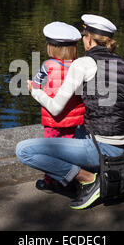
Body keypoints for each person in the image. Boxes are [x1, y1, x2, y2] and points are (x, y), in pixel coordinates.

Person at [16, 14, 124, 210]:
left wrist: (35, 90)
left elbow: (55, 107)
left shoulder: (83, 63)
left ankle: (88, 179)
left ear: (88, 39)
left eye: (85, 34)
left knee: (23, 151)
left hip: (100, 149)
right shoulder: (121, 63)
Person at [31, 22, 86, 192]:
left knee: (50, 151)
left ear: (51, 48)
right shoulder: (79, 66)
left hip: (52, 119)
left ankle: (49, 181)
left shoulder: (48, 66)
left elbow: (36, 84)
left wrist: (31, 86)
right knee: (69, 149)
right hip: (73, 119)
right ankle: (71, 180)